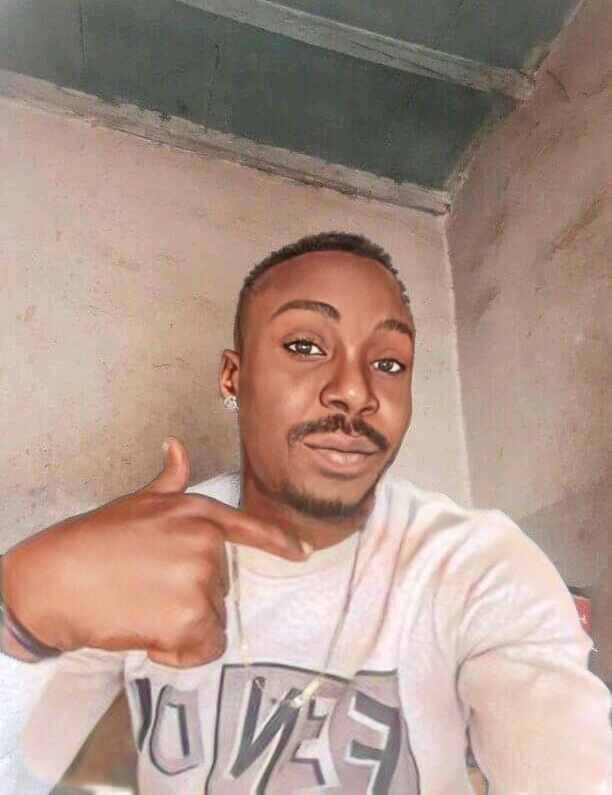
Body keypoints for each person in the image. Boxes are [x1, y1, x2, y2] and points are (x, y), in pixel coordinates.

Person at [0, 232, 609, 794]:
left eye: (389, 363)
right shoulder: (137, 562)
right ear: (233, 378)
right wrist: (21, 615)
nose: (356, 391)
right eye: (305, 346)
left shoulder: (475, 565)